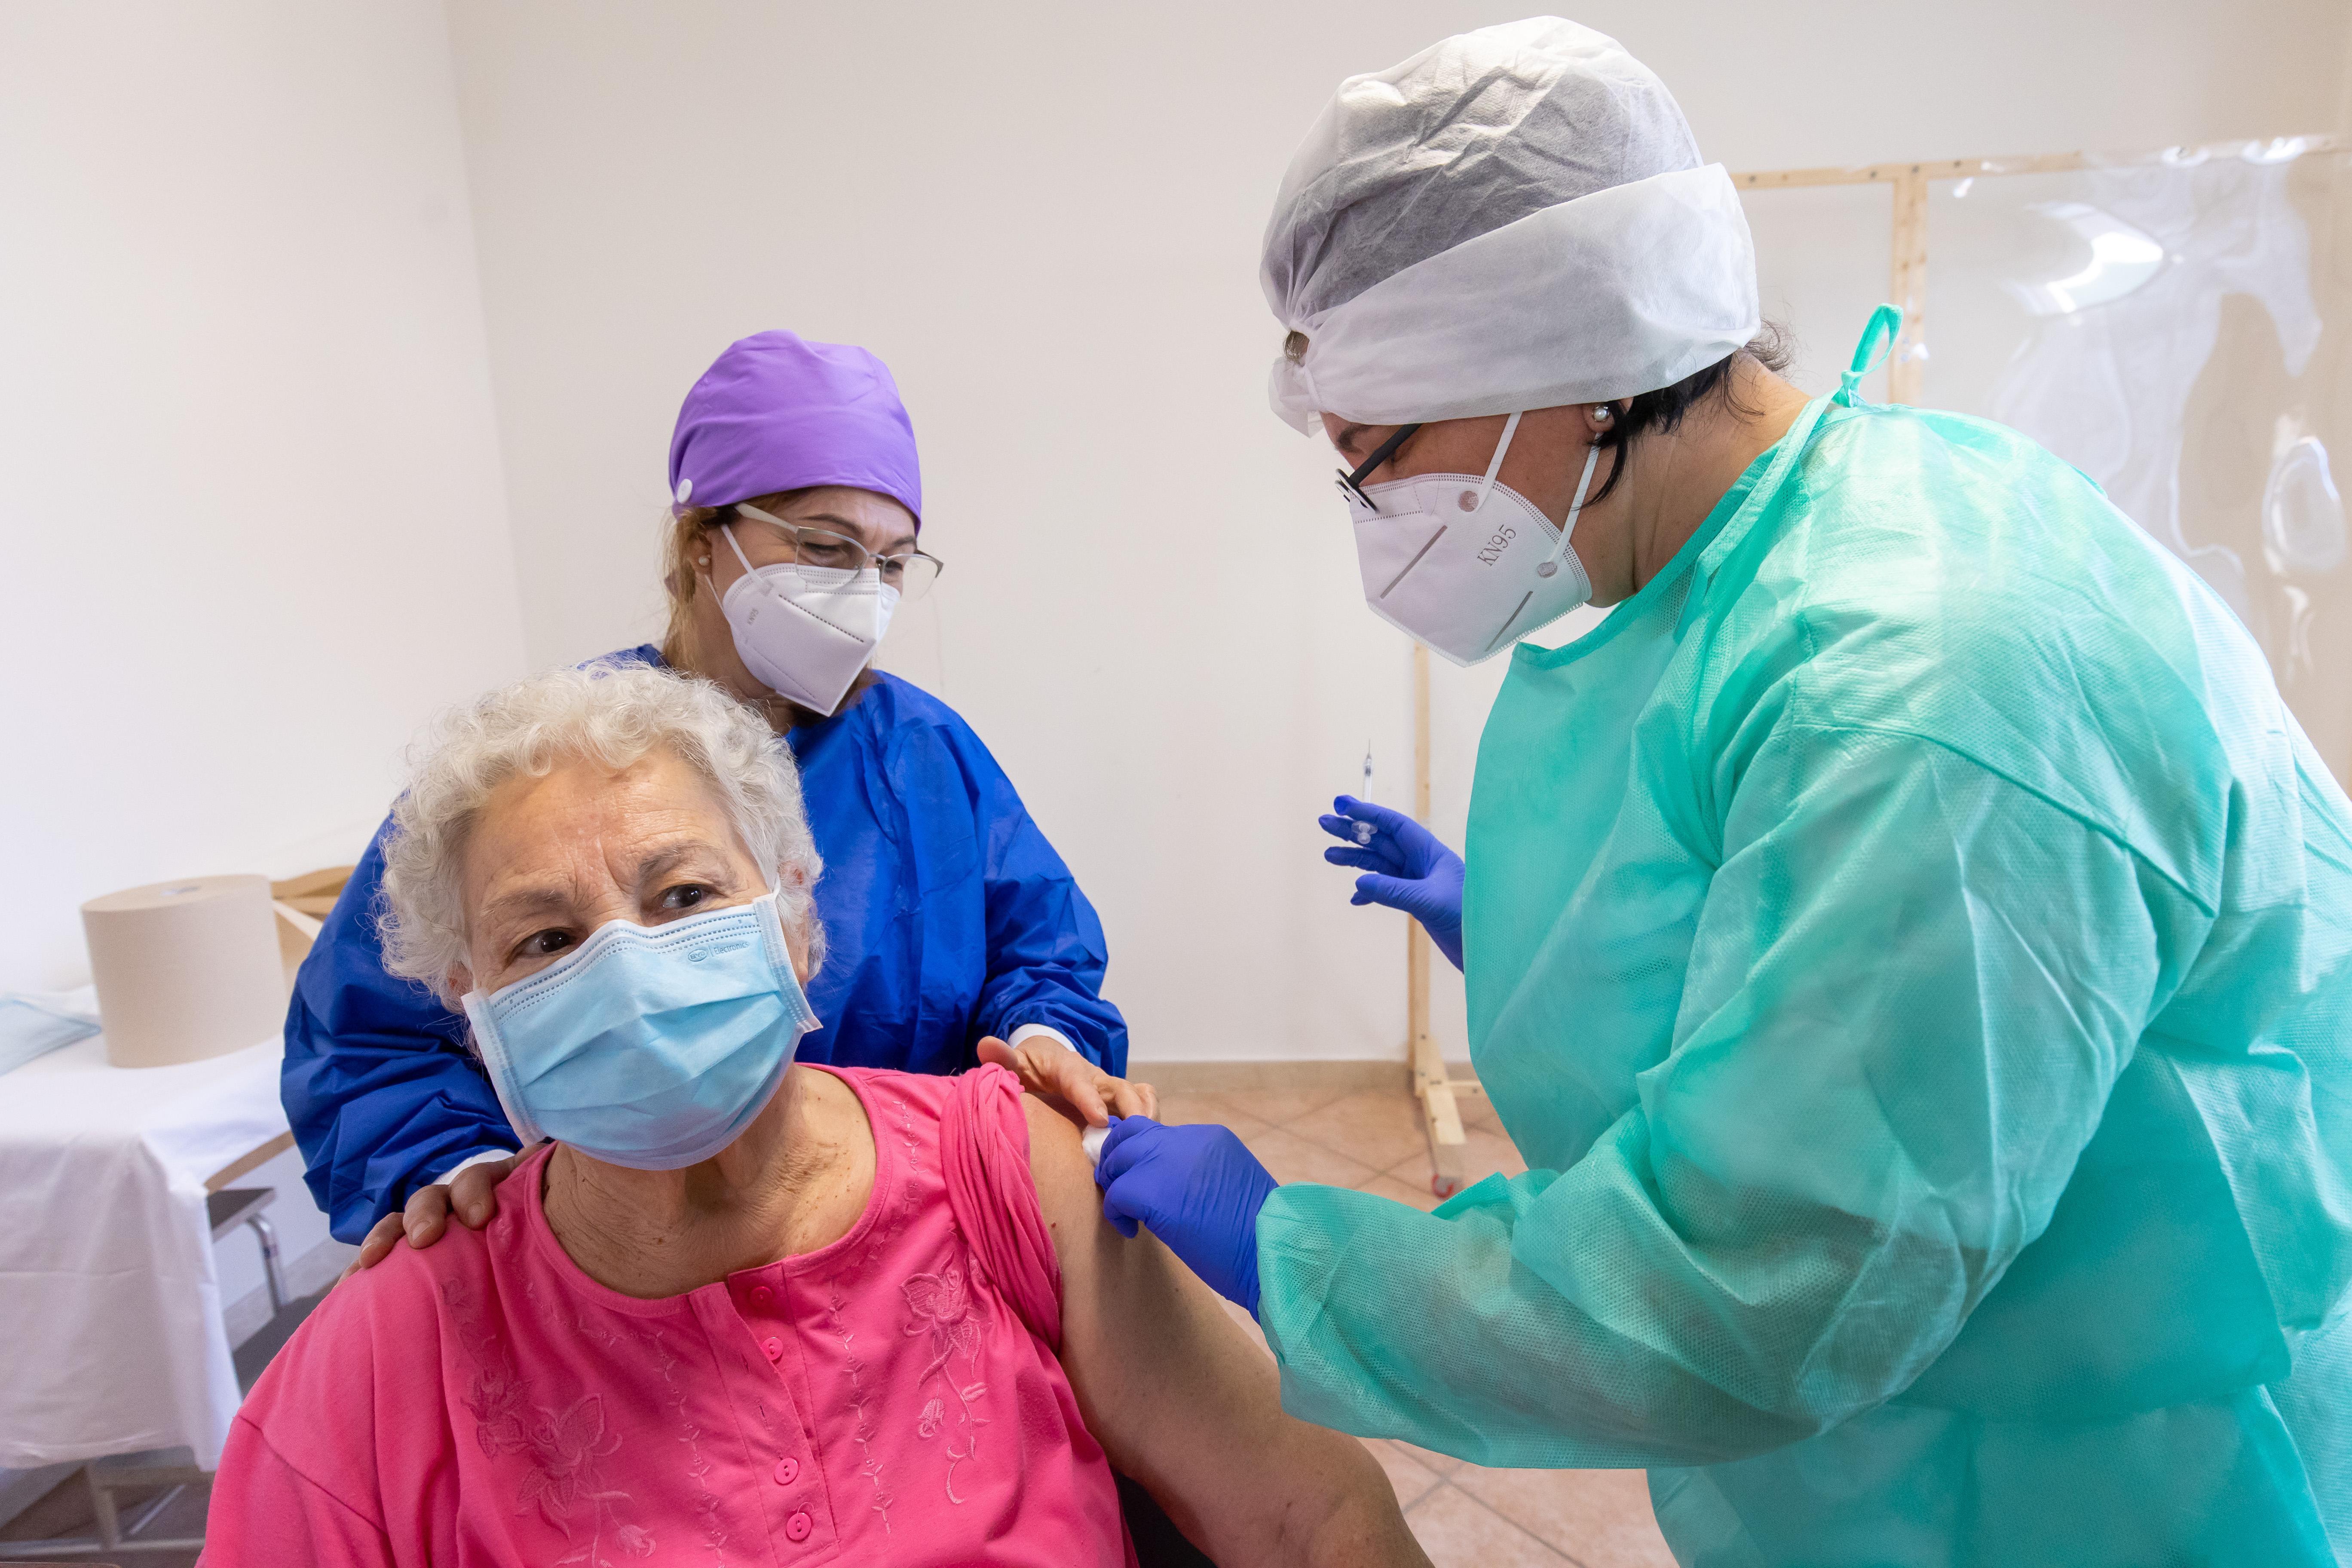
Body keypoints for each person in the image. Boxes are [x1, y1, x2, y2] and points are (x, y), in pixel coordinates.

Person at [1093, 18, 2352, 1568]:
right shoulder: (1769, 572)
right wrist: (1540, 930)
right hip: (1934, 1445)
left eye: (1377, 454)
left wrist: (1303, 1254)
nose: (1371, 514)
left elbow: (1751, 1285)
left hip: (2117, 1480)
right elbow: (1831, 999)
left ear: (1550, 368)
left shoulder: (1915, 683)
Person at [202, 665, 1425, 1568]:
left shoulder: (1009, 1178)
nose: (630, 972)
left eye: (683, 893)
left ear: (794, 915)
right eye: (547, 940)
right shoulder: (388, 1354)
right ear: (469, 1008)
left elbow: (1314, 1515)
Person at [285, 330, 1151, 1258]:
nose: (865, 592)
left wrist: (1043, 1034)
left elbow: (1041, 950)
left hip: (907, 1229)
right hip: (628, 1255)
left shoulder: (926, 756)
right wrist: (450, 1165)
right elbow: (368, 1032)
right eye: (825, 546)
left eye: (893, 563)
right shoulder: (546, 763)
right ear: (705, 542)